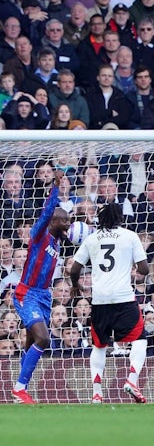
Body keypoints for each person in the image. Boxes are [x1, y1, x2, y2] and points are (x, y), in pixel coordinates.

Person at [70, 202, 150, 404]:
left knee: (99, 345)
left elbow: (74, 269)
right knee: (139, 338)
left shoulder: (92, 238)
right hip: (123, 298)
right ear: (120, 218)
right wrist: (132, 266)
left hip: (100, 300)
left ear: (101, 218)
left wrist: (75, 285)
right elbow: (145, 269)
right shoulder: (130, 236)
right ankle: (132, 380)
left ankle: (97, 393)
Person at [11, 171, 69, 404]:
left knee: (30, 342)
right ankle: (19, 389)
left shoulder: (56, 242)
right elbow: (46, 212)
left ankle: (19, 390)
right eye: (64, 220)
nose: (68, 224)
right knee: (43, 339)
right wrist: (55, 187)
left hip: (44, 296)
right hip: (27, 293)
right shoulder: (40, 235)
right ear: (53, 222)